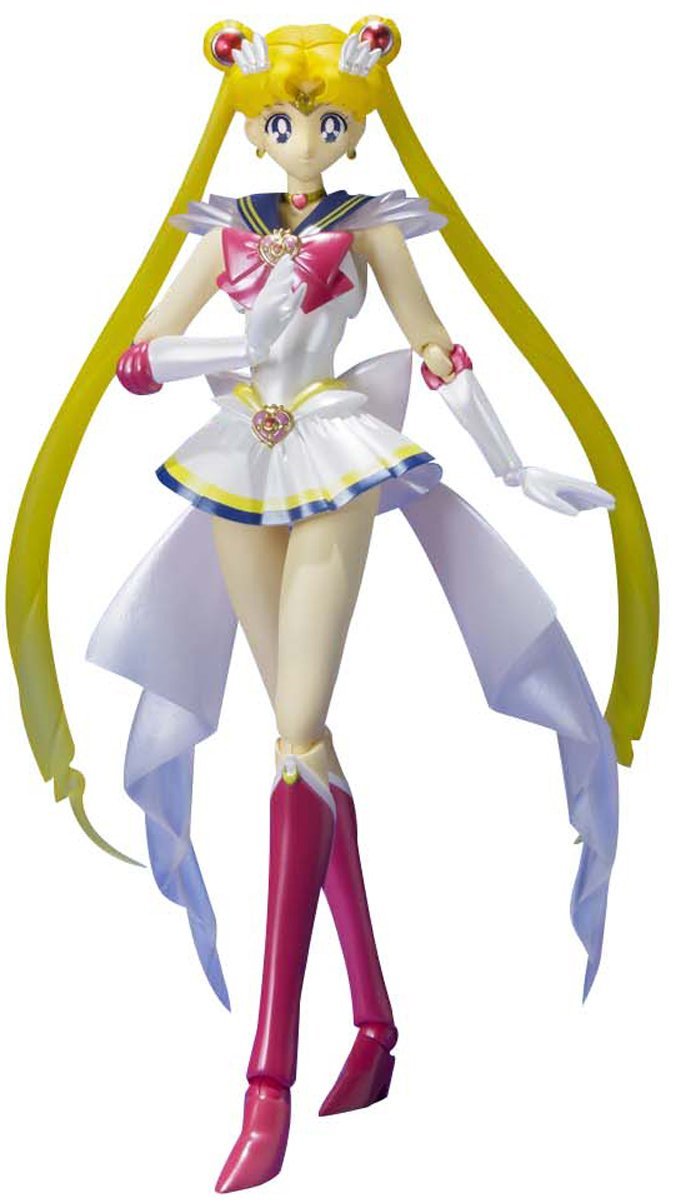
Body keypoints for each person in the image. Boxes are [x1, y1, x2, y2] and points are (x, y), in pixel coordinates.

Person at [6, 18, 658, 1194]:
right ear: (252, 127)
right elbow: (140, 359)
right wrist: (221, 353)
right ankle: (374, 1019)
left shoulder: (370, 225)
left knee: (295, 733)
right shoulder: (224, 226)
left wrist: (513, 466)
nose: (303, 140)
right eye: (282, 122)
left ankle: (267, 1081)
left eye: (325, 123)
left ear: (355, 127)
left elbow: (435, 345)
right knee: (300, 745)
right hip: (236, 458)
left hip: (335, 454)